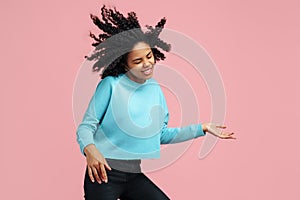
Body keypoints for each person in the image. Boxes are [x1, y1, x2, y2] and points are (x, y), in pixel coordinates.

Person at [76, 5, 235, 200]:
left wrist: (202, 128)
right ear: (124, 63)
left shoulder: (154, 89)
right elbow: (86, 127)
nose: (147, 63)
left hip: (133, 174)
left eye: (149, 56)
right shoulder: (110, 85)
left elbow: (159, 134)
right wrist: (90, 150)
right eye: (138, 61)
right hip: (104, 174)